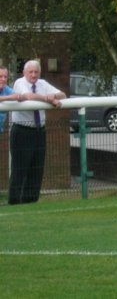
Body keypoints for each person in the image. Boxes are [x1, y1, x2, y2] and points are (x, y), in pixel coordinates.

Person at [9, 60, 66, 204]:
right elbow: (28, 96)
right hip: (22, 131)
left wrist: (54, 97)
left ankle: (31, 202)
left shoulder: (43, 84)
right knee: (20, 169)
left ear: (39, 73)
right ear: (24, 73)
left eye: (36, 72)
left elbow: (62, 94)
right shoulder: (19, 83)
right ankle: (14, 202)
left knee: (37, 169)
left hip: (39, 131)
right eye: (30, 72)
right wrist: (47, 98)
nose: (33, 75)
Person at [0, 66, 19, 132]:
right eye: (0, 76)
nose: (3, 79)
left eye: (5, 77)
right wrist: (8, 98)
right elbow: (12, 97)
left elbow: (17, 96)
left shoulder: (6, 88)